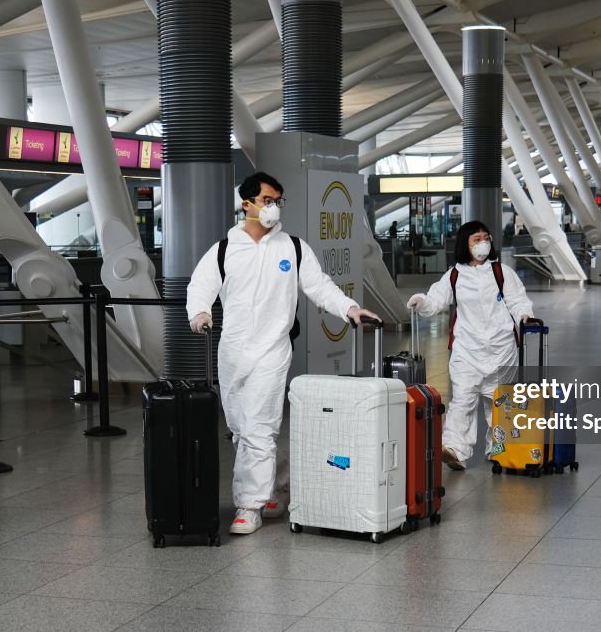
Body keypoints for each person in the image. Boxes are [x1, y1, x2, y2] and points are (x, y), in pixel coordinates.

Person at [187, 172, 379, 535]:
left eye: (278, 200)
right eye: (267, 200)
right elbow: (201, 285)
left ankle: (250, 505)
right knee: (239, 430)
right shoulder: (224, 250)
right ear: (247, 204)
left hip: (273, 350)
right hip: (232, 351)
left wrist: (349, 308)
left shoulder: (292, 248)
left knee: (259, 427)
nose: (274, 207)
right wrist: (199, 312)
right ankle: (277, 483)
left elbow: (319, 286)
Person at [406, 221, 534, 470]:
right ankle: (455, 449)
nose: (483, 242)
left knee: (498, 403)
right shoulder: (455, 275)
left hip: (502, 348)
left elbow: (517, 300)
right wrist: (420, 302)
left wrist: (525, 316)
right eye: (477, 239)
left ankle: (499, 449)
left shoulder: (501, 272)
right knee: (463, 399)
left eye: (486, 237)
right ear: (465, 244)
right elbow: (436, 300)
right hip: (467, 348)